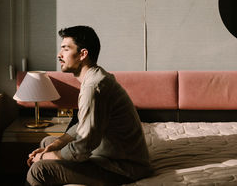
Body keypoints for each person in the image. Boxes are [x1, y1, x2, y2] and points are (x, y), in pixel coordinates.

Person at [25, 26, 152, 186]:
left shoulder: (93, 87)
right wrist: (55, 145)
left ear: (83, 54)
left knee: (39, 171)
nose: (59, 55)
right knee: (47, 142)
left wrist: (43, 158)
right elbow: (84, 123)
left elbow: (83, 147)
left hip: (123, 168)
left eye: (65, 49)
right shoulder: (97, 77)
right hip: (107, 154)